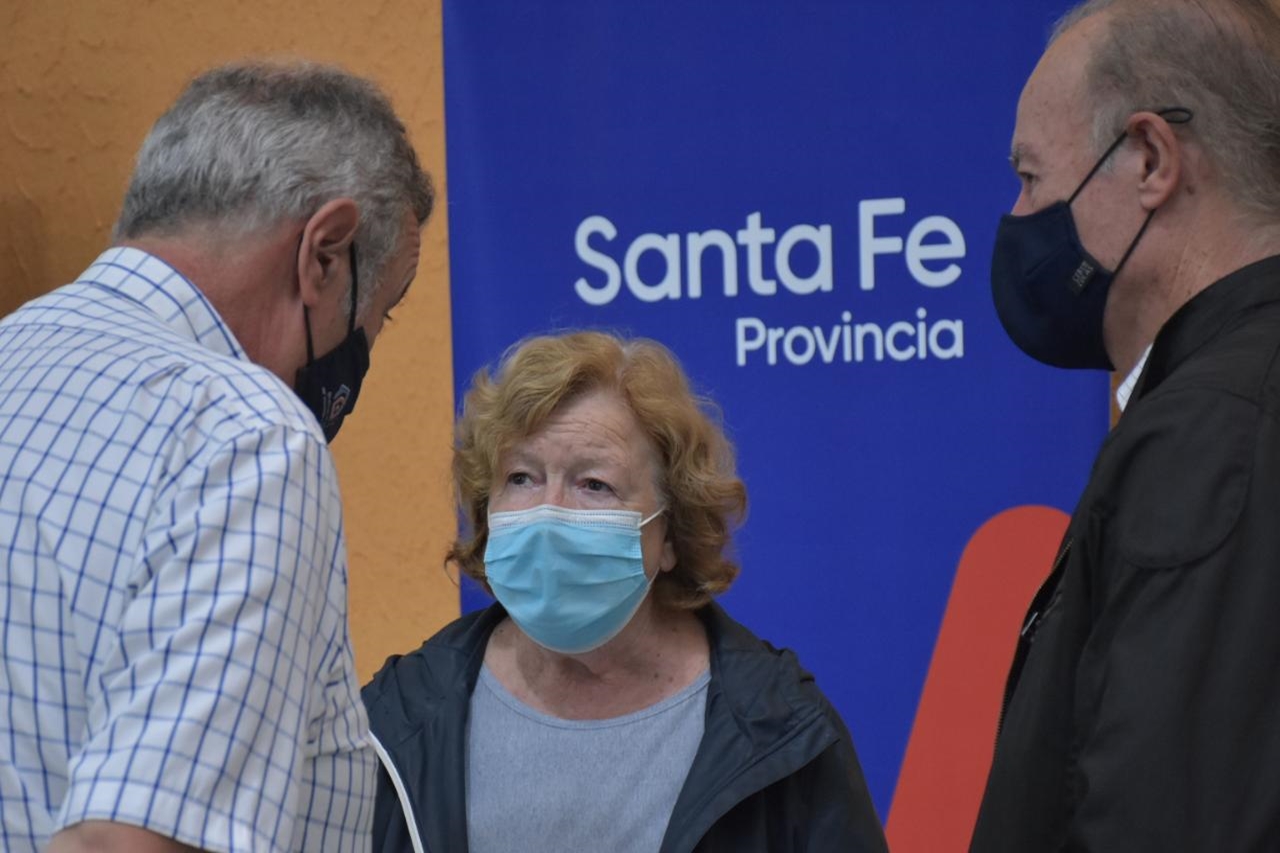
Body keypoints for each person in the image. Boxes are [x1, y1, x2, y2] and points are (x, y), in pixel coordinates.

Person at [0, 61, 434, 852]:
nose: (368, 341)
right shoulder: (245, 434)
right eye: (386, 307)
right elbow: (128, 842)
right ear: (324, 253)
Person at [362, 331, 887, 853]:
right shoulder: (400, 719)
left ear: (670, 534)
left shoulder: (780, 730)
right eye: (521, 478)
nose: (549, 513)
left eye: (594, 484)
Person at [976, 0, 1280, 849]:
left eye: (1031, 177)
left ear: (1150, 159)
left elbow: (1167, 816)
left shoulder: (1214, 433)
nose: (1018, 215)